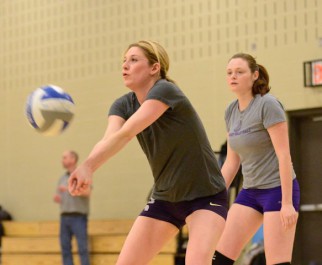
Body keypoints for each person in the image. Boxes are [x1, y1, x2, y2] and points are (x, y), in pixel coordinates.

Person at [68, 40, 228, 265]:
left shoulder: (165, 90)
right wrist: (86, 167)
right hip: (165, 198)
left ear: (155, 68)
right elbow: (109, 139)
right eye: (124, 61)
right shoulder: (122, 105)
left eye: (133, 60)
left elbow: (127, 133)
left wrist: (89, 167)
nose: (125, 65)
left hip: (206, 197)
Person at [212, 53, 300, 265]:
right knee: (219, 258)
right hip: (250, 192)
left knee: (276, 262)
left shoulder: (267, 104)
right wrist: (213, 196)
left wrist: (287, 203)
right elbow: (232, 162)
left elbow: (284, 155)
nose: (233, 76)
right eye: (229, 73)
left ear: (254, 75)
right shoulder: (230, 110)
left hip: (277, 190)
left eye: (239, 72)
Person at [53, 150, 91, 265]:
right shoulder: (62, 178)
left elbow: (87, 192)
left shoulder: (82, 175)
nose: (62, 160)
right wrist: (58, 198)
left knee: (82, 248)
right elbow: (60, 195)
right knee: (65, 249)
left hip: (78, 217)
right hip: (64, 217)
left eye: (65, 157)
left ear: (73, 159)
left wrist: (69, 190)